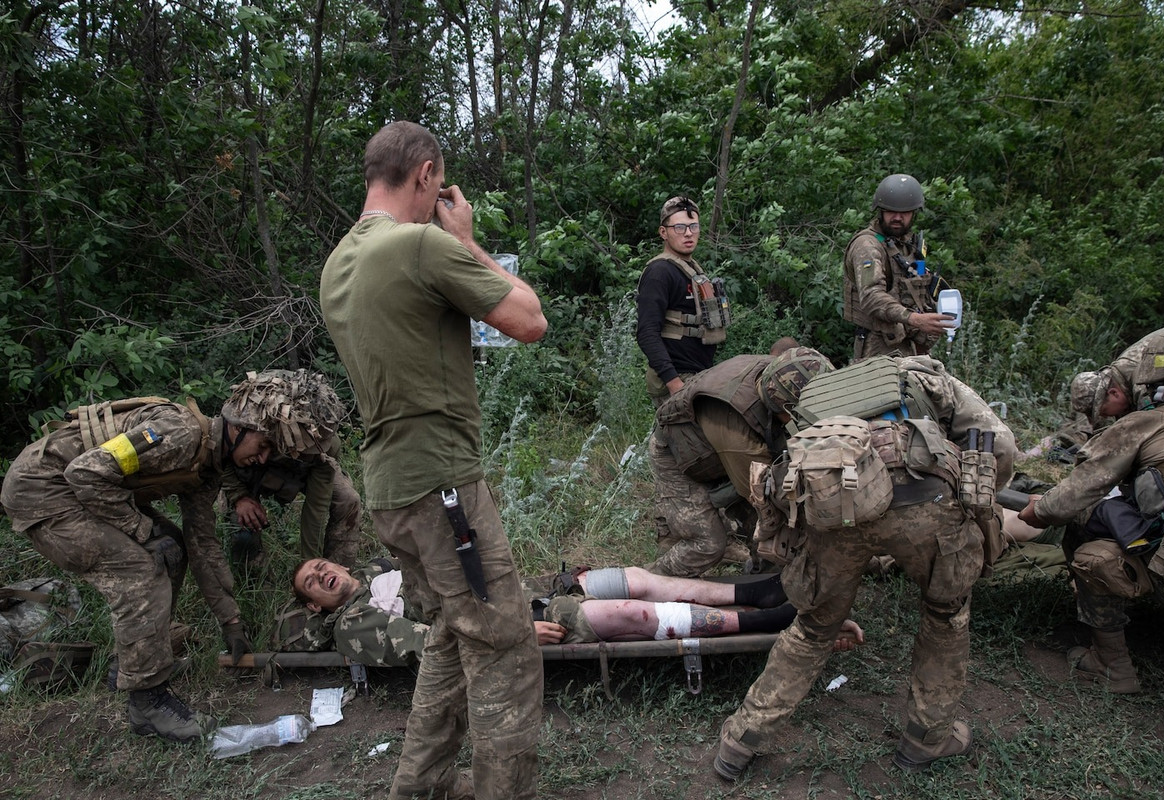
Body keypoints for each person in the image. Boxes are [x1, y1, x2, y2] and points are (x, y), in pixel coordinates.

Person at [319, 120, 547, 800]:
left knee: (452, 632)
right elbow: (529, 320)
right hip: (443, 488)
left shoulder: (337, 264)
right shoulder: (420, 244)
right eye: (437, 184)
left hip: (389, 490)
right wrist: (467, 240)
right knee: (505, 648)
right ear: (425, 176)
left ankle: (417, 788)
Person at [712, 351, 1016, 779]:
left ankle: (740, 742)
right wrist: (975, 498)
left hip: (836, 514)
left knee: (813, 630)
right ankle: (925, 740)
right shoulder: (914, 374)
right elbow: (1001, 445)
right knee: (945, 617)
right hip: (927, 504)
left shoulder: (807, 419)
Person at [0, 373, 343, 742]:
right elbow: (84, 472)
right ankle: (148, 703)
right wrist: (142, 531)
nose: (261, 459)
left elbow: (202, 545)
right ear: (237, 427)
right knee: (141, 569)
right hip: (44, 491)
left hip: (82, 490)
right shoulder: (178, 434)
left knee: (173, 549)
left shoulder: (207, 466)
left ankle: (130, 664)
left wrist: (231, 623)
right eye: (262, 446)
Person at [1018, 337, 1164, 695]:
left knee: (1093, 553)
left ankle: (1111, 666)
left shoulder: (1148, 422)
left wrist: (1038, 510)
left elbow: (1068, 499)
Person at [291, 559, 865, 660]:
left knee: (636, 578)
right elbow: (432, 644)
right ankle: (767, 621)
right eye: (312, 584)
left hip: (532, 590)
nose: (322, 574)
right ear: (315, 604)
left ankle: (757, 592)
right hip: (521, 621)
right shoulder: (355, 624)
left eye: (319, 566)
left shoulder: (381, 567)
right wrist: (517, 632)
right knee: (633, 614)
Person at [646, 347, 834, 578]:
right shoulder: (737, 432)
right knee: (708, 544)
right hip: (676, 453)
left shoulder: (781, 371)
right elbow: (759, 494)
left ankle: (761, 574)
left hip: (719, 444)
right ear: (781, 405)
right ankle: (650, 581)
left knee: (765, 516)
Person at [220, 369, 361, 567]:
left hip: (299, 473)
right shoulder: (246, 419)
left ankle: (338, 571)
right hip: (243, 476)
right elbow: (218, 458)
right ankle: (252, 574)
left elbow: (316, 508)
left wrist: (310, 567)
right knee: (242, 524)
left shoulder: (323, 445)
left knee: (348, 499)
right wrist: (239, 496)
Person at [842, 174, 955, 360]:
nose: (897, 218)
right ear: (880, 211)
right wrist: (915, 319)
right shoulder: (868, 246)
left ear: (914, 213)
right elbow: (871, 296)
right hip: (879, 347)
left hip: (912, 343)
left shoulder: (906, 244)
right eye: (890, 212)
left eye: (904, 213)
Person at [636, 195, 732, 403]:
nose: (688, 233)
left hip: (698, 375)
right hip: (677, 380)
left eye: (693, 227)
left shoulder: (692, 270)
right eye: (679, 227)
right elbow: (646, 332)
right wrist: (674, 383)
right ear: (663, 232)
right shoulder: (659, 272)